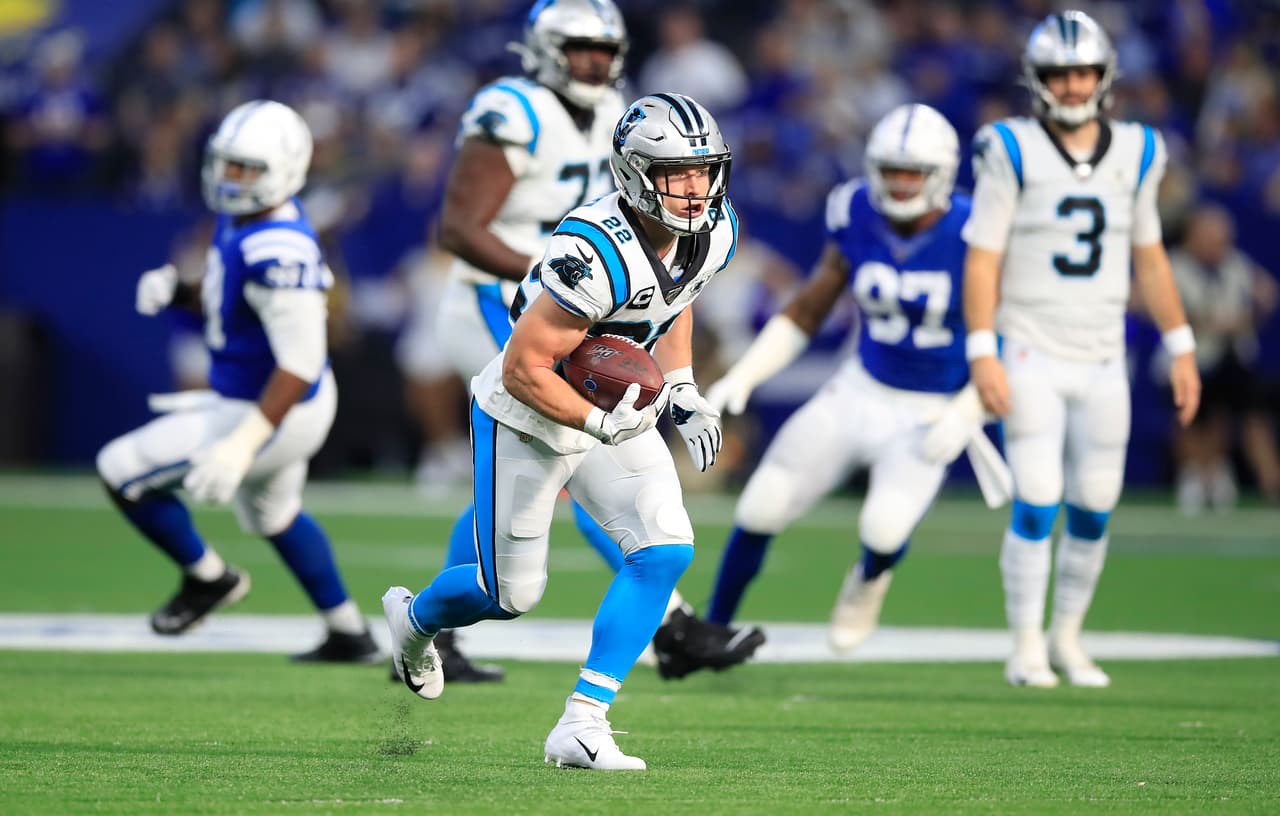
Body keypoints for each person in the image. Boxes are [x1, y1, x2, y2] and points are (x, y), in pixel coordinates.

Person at [383, 93, 737, 771]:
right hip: (529, 410)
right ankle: (416, 620)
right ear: (635, 174)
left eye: (703, 171)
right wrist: (601, 423)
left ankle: (582, 724)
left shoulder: (714, 230)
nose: (694, 190)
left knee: (663, 549)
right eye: (675, 174)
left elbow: (676, 299)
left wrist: (683, 386)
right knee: (508, 595)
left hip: (613, 404)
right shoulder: (595, 249)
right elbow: (522, 367)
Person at [418, 0, 756, 683]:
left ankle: (456, 624)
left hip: (587, 297)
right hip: (506, 294)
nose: (595, 61)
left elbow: (663, 271)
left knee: (525, 474)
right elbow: (459, 227)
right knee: (558, 446)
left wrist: (612, 290)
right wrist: (572, 281)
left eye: (605, 48)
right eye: (578, 47)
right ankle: (672, 624)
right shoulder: (510, 108)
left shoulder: (623, 117)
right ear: (544, 48)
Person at [652, 104, 1003, 676]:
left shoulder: (975, 228)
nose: (899, 183)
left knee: (883, 528)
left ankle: (870, 579)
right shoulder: (856, 208)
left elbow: (1005, 332)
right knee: (762, 501)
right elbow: (810, 306)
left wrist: (968, 410)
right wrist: (746, 372)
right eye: (890, 170)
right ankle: (713, 628)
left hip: (931, 406)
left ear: (941, 173)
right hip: (860, 387)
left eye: (912, 172)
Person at [963, 11, 1201, 688]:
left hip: (1102, 354)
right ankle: (1024, 645)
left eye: (1083, 73)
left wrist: (1182, 343)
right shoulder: (1009, 146)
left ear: (1104, 78)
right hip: (1031, 343)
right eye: (1060, 74)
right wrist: (983, 348)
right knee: (1038, 497)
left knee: (1096, 503)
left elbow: (1150, 256)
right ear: (1037, 80)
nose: (1071, 86)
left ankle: (1068, 637)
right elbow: (983, 259)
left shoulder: (1140, 150)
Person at [97, 100, 381, 663]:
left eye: (246, 168)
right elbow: (239, 294)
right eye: (227, 164)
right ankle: (349, 632)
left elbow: (298, 364)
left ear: (284, 169)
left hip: (275, 405)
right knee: (273, 514)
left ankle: (209, 579)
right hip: (279, 400)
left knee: (121, 471)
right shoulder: (252, 218)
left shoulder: (281, 249)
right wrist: (182, 291)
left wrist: (238, 447)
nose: (231, 178)